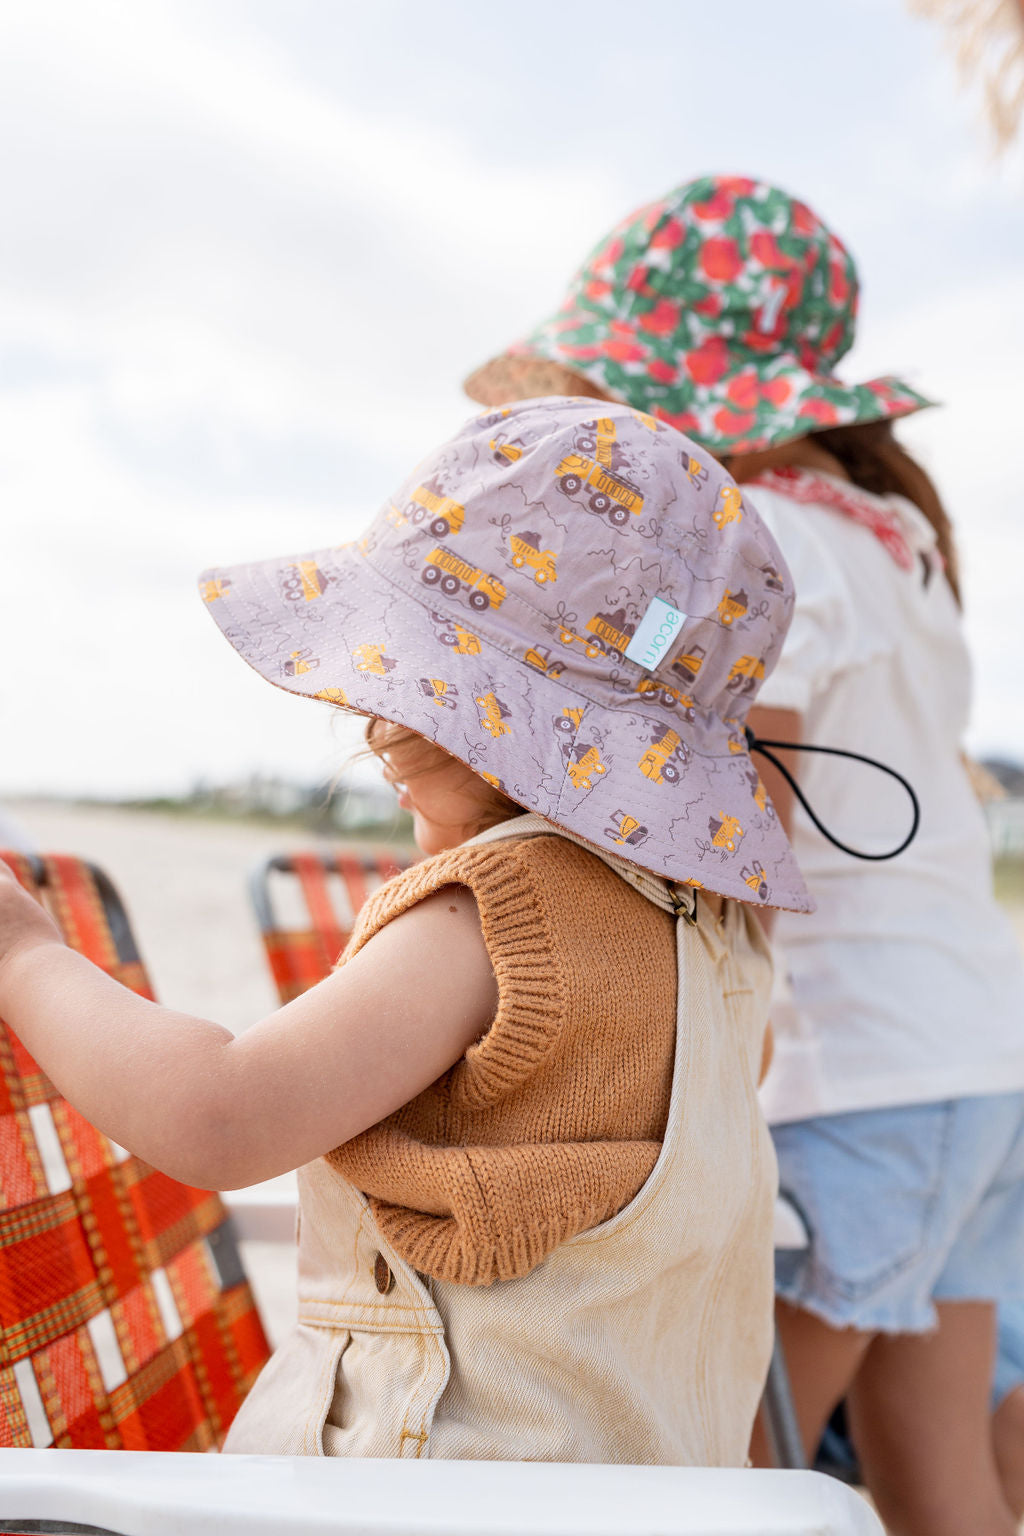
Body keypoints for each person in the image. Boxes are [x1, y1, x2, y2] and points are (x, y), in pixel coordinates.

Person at [0, 397, 811, 1465]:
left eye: (402, 687)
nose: (373, 721)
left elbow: (219, 1116)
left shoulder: (500, 913)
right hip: (653, 1492)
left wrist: (24, 953)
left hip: (431, 1496)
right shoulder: (723, 937)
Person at [464, 176, 1024, 1535]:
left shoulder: (767, 543)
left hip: (862, 1078)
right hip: (972, 1063)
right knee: (940, 1484)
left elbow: (737, 824)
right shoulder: (895, 540)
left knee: (730, 1482)